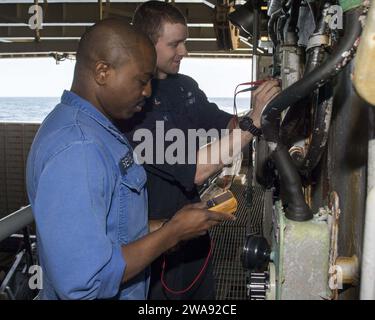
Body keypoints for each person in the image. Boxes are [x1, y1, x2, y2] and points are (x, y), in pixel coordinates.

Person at [26, 19, 234, 300]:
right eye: (141, 80)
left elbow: (108, 227)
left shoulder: (93, 129)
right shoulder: (80, 149)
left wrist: (168, 226)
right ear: (102, 72)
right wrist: (170, 235)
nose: (148, 92)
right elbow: (86, 282)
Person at [122, 1, 281, 300]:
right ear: (145, 43)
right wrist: (256, 121)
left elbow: (226, 124)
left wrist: (262, 107)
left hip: (194, 227)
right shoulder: (134, 104)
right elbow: (196, 170)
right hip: (156, 239)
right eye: (175, 44)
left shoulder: (185, 86)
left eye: (185, 42)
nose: (184, 52)